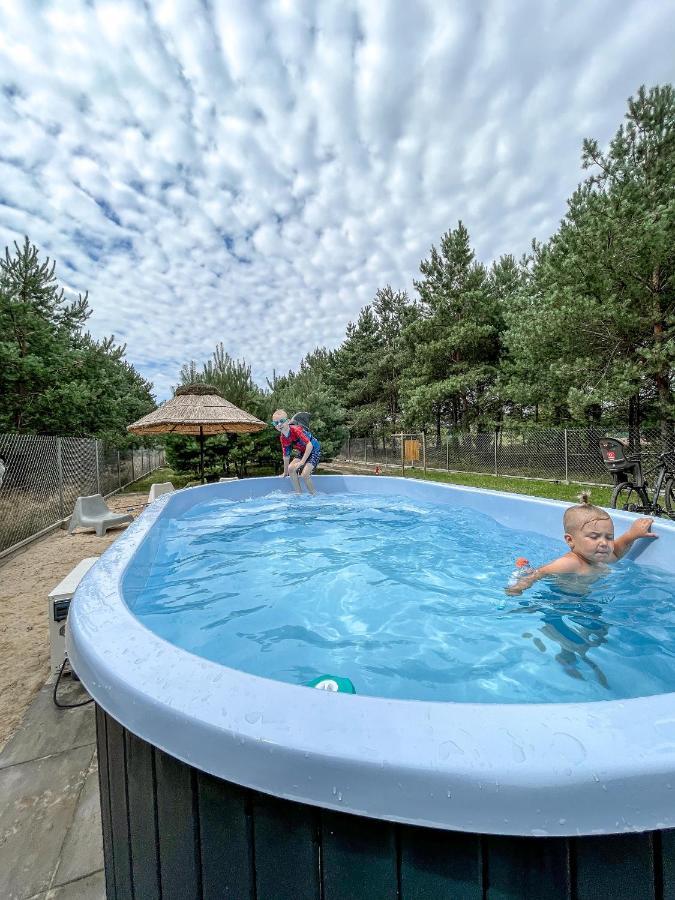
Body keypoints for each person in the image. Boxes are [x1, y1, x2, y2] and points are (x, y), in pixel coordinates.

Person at [505, 492, 658, 595]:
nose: (604, 543)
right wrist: (520, 586)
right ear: (570, 541)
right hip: (564, 601)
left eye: (609, 537)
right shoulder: (570, 563)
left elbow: (617, 552)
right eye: (594, 537)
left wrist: (633, 535)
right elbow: (540, 572)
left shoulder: (599, 557)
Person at [272, 409, 321, 495]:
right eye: (276, 423)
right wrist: (285, 472)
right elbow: (286, 456)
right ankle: (299, 494)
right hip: (303, 451)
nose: (279, 424)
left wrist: (302, 462)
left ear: (287, 421)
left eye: (282, 421)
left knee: (305, 474)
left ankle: (314, 496)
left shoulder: (296, 430)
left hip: (314, 450)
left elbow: (309, 445)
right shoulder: (283, 438)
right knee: (291, 468)